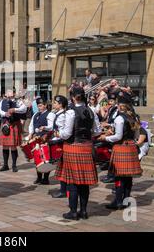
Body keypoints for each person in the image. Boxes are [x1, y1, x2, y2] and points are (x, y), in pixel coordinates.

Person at [56, 87, 101, 220]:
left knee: (72, 182)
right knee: (84, 183)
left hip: (73, 148)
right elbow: (97, 131)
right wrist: (87, 135)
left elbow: (66, 134)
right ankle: (84, 211)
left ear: (73, 97)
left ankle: (73, 212)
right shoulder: (91, 110)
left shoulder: (70, 112)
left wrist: (59, 132)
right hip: (87, 148)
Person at [99, 101, 142, 210]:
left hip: (121, 147)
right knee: (128, 177)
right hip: (131, 146)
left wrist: (106, 138)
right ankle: (126, 201)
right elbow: (137, 135)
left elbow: (118, 136)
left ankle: (118, 202)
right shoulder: (133, 118)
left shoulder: (119, 118)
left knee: (119, 176)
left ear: (119, 107)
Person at [0, 89, 27, 173]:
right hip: (5, 124)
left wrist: (15, 110)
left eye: (10, 94)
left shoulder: (18, 101)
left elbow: (24, 109)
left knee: (13, 145)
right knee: (5, 145)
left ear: (14, 93)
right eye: (7, 94)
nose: (8, 96)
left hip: (14, 124)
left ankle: (14, 165)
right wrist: (4, 114)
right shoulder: (2, 101)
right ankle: (5, 165)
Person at [27, 98, 54, 185]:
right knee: (37, 158)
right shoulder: (35, 114)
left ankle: (46, 179)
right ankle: (39, 178)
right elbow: (31, 125)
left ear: (45, 105)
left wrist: (45, 127)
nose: (39, 107)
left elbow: (52, 126)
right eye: (38, 106)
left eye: (40, 105)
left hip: (46, 138)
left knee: (46, 159)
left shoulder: (50, 114)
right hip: (36, 139)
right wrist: (31, 133)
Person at [49, 95, 70, 199]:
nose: (53, 104)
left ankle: (63, 190)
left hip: (61, 143)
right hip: (59, 141)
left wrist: (55, 137)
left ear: (61, 105)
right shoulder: (58, 114)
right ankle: (63, 189)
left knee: (63, 167)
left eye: (55, 103)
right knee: (62, 166)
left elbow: (62, 131)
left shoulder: (62, 115)